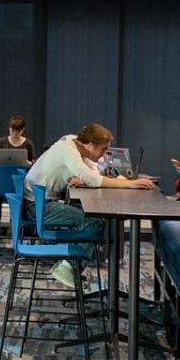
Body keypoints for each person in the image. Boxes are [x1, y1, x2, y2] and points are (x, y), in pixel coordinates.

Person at [24, 123, 155, 289]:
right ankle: (68, 267)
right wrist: (131, 184)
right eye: (102, 149)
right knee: (94, 223)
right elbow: (93, 179)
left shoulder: (74, 143)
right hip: (37, 207)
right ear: (90, 145)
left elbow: (91, 172)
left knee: (94, 218)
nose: (102, 155)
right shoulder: (68, 150)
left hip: (40, 202)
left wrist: (84, 176)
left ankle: (70, 264)